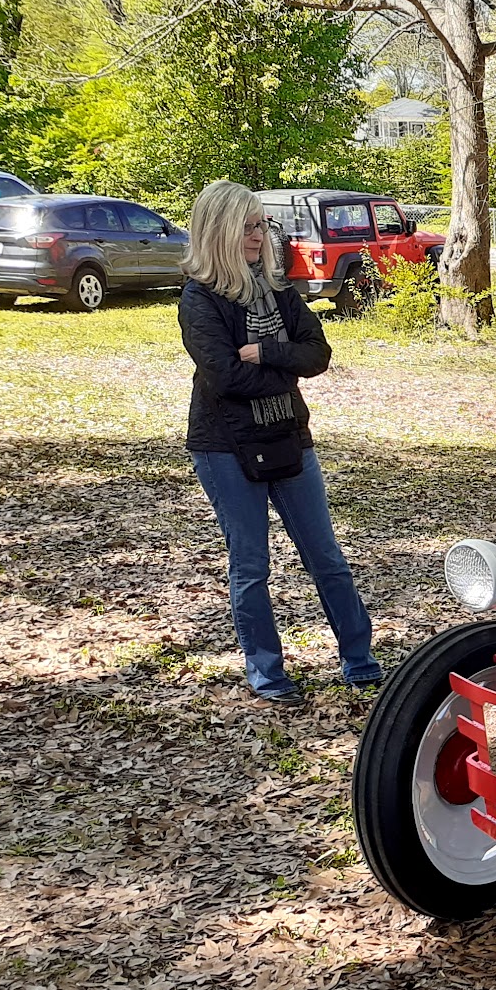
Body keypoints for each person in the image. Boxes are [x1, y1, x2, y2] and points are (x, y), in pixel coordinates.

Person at [179, 179, 382, 708]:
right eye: (246, 227)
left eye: (259, 225)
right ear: (218, 230)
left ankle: (360, 663)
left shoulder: (278, 289)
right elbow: (225, 378)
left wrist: (266, 352)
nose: (257, 236)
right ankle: (267, 673)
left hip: (288, 435)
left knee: (327, 557)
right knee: (252, 565)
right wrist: (280, 362)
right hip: (224, 446)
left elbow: (316, 355)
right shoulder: (199, 297)